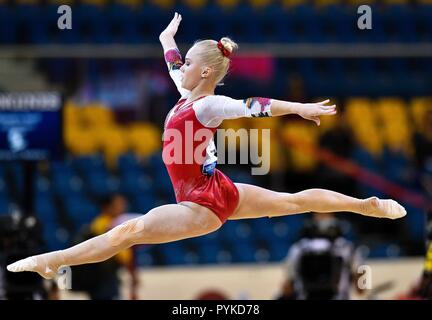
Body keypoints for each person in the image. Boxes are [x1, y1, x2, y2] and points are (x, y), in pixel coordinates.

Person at [6, 13, 406, 280]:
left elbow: (256, 106)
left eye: (190, 64)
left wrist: (299, 107)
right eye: (184, 64)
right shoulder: (186, 87)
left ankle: (52, 261)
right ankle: (364, 205)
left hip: (202, 204)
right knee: (294, 201)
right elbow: (171, 60)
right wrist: (167, 38)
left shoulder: (211, 104)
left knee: (127, 230)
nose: (182, 68)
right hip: (216, 188)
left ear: (207, 72)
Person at [277, 213, 364, 300]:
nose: (323, 218)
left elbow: (361, 288)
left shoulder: (347, 248)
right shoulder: (298, 248)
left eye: (327, 213)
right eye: (319, 214)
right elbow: (287, 287)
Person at [70, 194, 138, 300]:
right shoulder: (103, 225)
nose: (122, 207)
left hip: (105, 278)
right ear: (107, 207)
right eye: (118, 204)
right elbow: (123, 256)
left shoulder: (110, 223)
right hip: (102, 279)